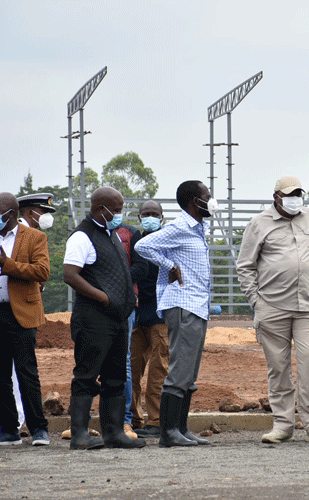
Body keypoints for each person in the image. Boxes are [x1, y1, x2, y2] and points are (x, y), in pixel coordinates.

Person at [236, 175, 309, 444]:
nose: (295, 199)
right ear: (276, 197)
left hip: (308, 305)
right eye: (290, 194)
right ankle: (283, 425)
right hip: (272, 306)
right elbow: (245, 265)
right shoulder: (259, 224)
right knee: (278, 368)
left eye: (299, 194)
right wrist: (256, 302)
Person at [135, 180, 215, 448]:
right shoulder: (179, 227)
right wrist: (170, 264)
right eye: (208, 196)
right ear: (195, 201)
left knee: (189, 370)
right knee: (180, 368)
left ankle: (181, 428)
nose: (211, 200)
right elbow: (142, 247)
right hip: (182, 304)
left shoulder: (198, 228)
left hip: (197, 305)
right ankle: (168, 433)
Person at [63, 187, 144, 450]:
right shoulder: (81, 237)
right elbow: (71, 275)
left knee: (116, 377)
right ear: (101, 209)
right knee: (86, 375)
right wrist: (103, 297)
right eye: (117, 210)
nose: (120, 214)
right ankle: (79, 435)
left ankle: (114, 432)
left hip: (118, 319)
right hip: (93, 318)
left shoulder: (110, 235)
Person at [0, 192, 56, 443]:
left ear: (11, 213)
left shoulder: (34, 238)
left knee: (27, 373)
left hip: (21, 313)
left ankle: (39, 429)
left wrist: (7, 264)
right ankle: (8, 430)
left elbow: (43, 271)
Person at [129, 200, 169, 438]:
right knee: (132, 371)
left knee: (158, 370)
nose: (150, 217)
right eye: (146, 214)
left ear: (162, 217)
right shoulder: (134, 242)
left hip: (161, 315)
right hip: (135, 315)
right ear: (139, 217)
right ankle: (134, 419)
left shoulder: (167, 242)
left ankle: (156, 420)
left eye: (155, 214)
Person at [116, 220, 144, 439]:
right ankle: (84, 421)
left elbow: (140, 266)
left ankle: (125, 421)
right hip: (96, 304)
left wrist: (115, 281)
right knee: (91, 363)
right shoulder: (86, 233)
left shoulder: (131, 233)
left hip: (126, 303)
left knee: (124, 361)